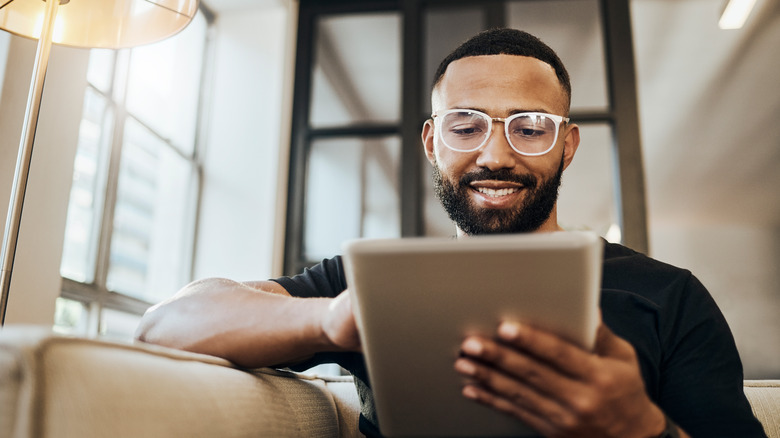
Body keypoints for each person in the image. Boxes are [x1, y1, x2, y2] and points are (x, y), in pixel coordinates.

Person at [135, 28, 766, 438]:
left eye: (530, 126)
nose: (496, 154)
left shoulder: (669, 296)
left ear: (567, 146)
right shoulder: (369, 285)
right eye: (466, 125)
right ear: (433, 143)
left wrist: (638, 428)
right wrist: (334, 320)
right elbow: (166, 326)